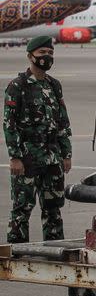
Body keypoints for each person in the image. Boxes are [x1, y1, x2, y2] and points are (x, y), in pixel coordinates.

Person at [3, 35, 72, 243]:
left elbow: (62, 122)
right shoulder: (18, 86)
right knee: (22, 207)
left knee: (53, 208)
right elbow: (9, 124)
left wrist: (66, 154)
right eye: (42, 53)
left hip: (53, 158)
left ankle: (54, 248)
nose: (47, 57)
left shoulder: (54, 85)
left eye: (50, 53)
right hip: (28, 158)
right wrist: (15, 157)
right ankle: (17, 251)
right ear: (30, 56)